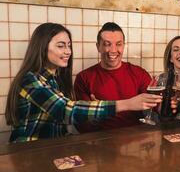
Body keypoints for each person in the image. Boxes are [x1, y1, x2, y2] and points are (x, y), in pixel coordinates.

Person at [5, 23, 162, 142]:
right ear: (42, 48)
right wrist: (128, 104)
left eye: (69, 46)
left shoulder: (55, 79)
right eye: (60, 46)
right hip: (28, 151)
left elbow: (60, 125)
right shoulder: (31, 80)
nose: (68, 51)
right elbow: (66, 112)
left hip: (52, 148)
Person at [74, 22, 153, 132]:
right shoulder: (83, 78)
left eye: (118, 44)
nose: (113, 50)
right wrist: (97, 113)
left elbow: (155, 107)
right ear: (98, 47)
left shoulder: (139, 73)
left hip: (135, 138)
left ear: (124, 46)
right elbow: (81, 123)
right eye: (107, 44)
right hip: (100, 140)